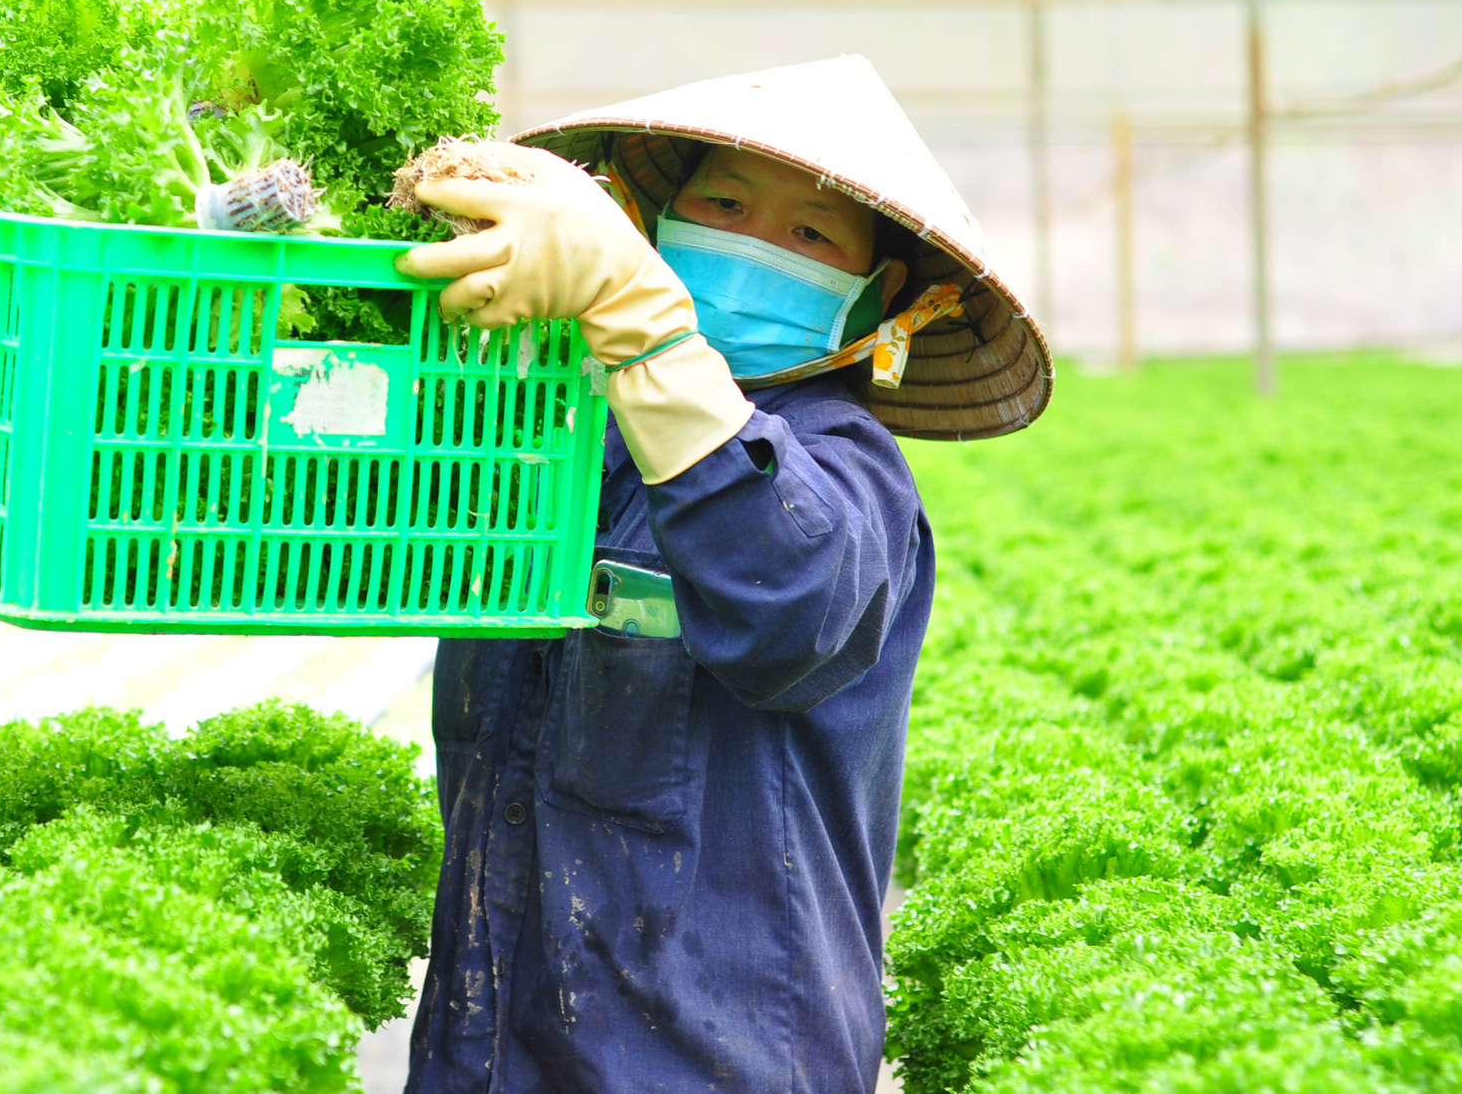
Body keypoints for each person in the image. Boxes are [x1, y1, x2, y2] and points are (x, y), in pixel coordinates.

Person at [393, 55, 1052, 1094]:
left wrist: (645, 324)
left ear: (872, 295)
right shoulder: (561, 435)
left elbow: (785, 601)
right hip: (493, 1028)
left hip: (717, 1046)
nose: (752, 244)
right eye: (724, 203)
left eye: (807, 234)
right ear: (660, 224)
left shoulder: (845, 463)